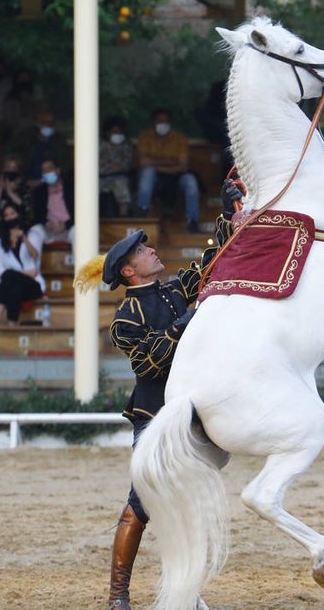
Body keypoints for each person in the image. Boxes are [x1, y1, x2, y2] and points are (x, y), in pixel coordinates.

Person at [75, 181, 238, 610]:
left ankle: (186, 592)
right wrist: (182, 325)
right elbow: (148, 365)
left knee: (191, 502)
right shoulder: (125, 318)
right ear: (129, 271)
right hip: (154, 416)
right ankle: (117, 596)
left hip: (191, 413)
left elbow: (211, 261)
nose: (153, 252)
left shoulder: (173, 289)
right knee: (141, 503)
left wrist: (225, 213)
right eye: (143, 252)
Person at [134, 107, 201, 232]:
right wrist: (171, 162)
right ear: (153, 122)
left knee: (190, 181)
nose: (162, 124)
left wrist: (156, 164)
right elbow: (143, 162)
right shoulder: (145, 137)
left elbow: (183, 166)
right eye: (159, 121)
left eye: (166, 121)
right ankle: (142, 214)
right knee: (147, 173)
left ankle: (193, 221)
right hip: (155, 176)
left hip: (176, 177)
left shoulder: (179, 138)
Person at [0, 203, 46, 326]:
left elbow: (35, 257)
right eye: (6, 215)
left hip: (33, 284)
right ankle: (12, 323)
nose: (10, 218)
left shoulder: (33, 236)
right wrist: (24, 273)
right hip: (10, 286)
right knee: (14, 287)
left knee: (10, 276)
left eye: (13, 214)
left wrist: (24, 238)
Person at [14, 108, 72, 184]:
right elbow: (16, 159)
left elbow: (65, 167)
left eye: (51, 123)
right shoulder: (26, 138)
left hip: (51, 183)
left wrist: (43, 181)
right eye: (45, 123)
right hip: (27, 182)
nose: (48, 126)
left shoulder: (59, 141)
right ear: (38, 122)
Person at [31, 156, 75, 244]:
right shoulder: (39, 191)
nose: (47, 172)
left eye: (49, 169)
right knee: (34, 232)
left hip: (68, 228)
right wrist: (46, 223)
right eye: (44, 170)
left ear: (58, 170)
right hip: (48, 229)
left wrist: (66, 225)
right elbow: (37, 215)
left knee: (78, 232)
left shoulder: (71, 188)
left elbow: (79, 213)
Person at [100, 116, 135, 218]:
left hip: (119, 177)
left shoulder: (126, 146)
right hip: (99, 178)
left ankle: (123, 218)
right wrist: (112, 166)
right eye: (114, 132)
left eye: (120, 132)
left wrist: (108, 167)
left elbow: (125, 166)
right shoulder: (99, 145)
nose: (117, 135)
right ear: (108, 133)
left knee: (122, 186)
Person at [2, 67, 44, 144]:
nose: (24, 81)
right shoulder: (10, 99)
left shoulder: (36, 95)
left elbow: (39, 113)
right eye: (21, 78)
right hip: (17, 133)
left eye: (26, 78)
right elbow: (9, 120)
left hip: (34, 131)